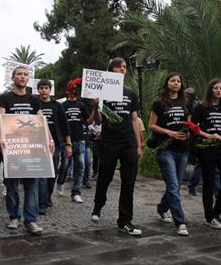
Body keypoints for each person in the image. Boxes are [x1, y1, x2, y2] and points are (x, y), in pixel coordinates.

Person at [0, 66, 54, 234]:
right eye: (19, 74)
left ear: (28, 79)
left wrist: (50, 139)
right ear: (13, 78)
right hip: (12, 148)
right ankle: (14, 217)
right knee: (12, 186)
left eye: (25, 74)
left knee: (32, 186)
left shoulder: (34, 100)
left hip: (32, 148)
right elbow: (0, 120)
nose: (22, 77)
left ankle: (31, 220)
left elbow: (42, 121)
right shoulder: (5, 98)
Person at [90, 57, 143, 236]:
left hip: (128, 142)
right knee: (105, 176)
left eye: (124, 67)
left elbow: (135, 119)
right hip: (109, 141)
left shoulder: (130, 93)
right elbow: (98, 120)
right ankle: (98, 205)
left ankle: (125, 221)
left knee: (129, 181)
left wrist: (138, 145)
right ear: (110, 71)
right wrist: (96, 107)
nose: (122, 70)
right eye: (119, 67)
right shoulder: (103, 93)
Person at [148, 73, 191, 236]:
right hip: (166, 149)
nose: (176, 83)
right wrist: (169, 132)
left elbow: (190, 122)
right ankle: (180, 222)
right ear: (167, 84)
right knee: (173, 186)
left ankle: (161, 208)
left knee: (176, 186)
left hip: (183, 149)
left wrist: (189, 132)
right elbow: (151, 125)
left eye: (178, 81)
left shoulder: (185, 102)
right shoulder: (159, 103)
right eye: (173, 80)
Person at [36, 79, 71, 214]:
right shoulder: (35, 104)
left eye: (46, 88)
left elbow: (65, 125)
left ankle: (48, 195)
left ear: (50, 90)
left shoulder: (57, 106)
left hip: (54, 145)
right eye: (41, 88)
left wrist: (68, 144)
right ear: (38, 90)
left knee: (52, 173)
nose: (44, 90)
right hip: (38, 144)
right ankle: (42, 202)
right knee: (41, 174)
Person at [191, 78, 221, 229]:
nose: (218, 91)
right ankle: (210, 217)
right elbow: (193, 127)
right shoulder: (200, 107)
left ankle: (216, 212)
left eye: (220, 88)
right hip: (207, 149)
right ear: (210, 90)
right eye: (216, 88)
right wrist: (210, 136)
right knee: (208, 184)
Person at [59, 78, 93, 203]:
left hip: (80, 140)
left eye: (76, 90)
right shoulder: (62, 106)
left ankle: (76, 192)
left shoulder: (81, 105)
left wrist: (95, 108)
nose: (74, 91)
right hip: (66, 141)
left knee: (80, 166)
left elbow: (89, 121)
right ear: (67, 91)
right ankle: (60, 181)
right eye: (72, 89)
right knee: (65, 165)